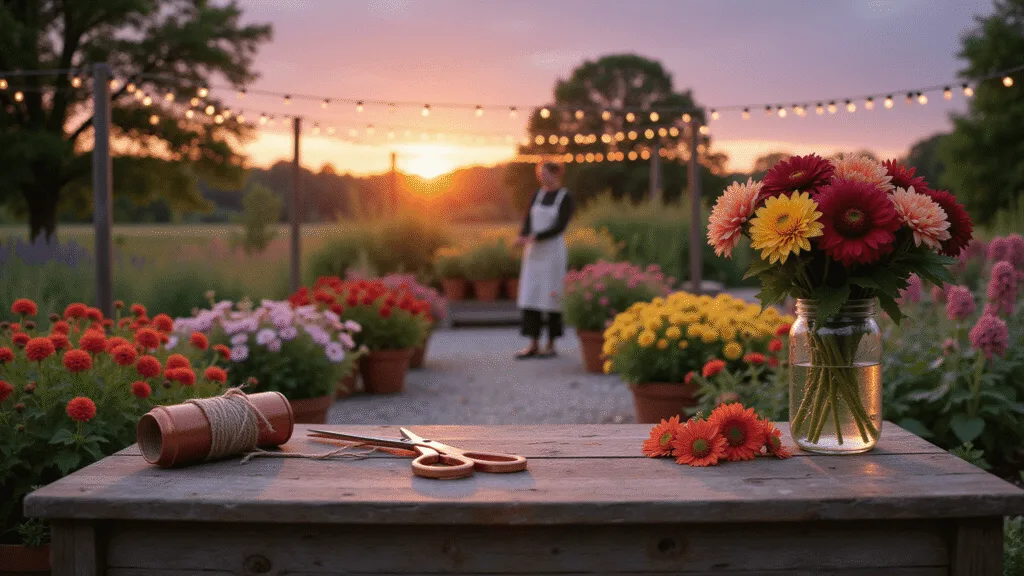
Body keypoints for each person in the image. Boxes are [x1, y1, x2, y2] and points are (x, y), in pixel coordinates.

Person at [514, 161, 575, 359]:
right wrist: (522, 237)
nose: (542, 177)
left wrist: (537, 236)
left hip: (553, 253)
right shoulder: (536, 195)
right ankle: (533, 343)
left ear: (556, 174)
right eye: (540, 173)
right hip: (533, 254)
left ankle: (551, 343)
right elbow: (528, 221)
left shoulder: (565, 197)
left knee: (551, 296)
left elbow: (560, 226)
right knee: (530, 295)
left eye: (545, 173)